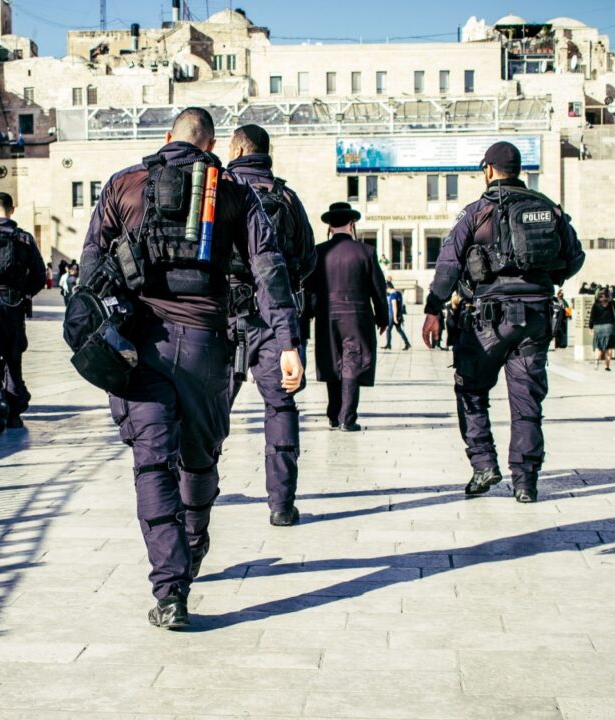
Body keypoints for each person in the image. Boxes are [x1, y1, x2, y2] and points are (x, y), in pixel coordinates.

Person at [81, 107, 303, 628]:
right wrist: (287, 339)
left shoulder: (124, 184)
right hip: (205, 344)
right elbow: (268, 265)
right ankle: (195, 541)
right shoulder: (232, 191)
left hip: (138, 347)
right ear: (211, 146)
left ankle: (169, 590)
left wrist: (94, 335)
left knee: (152, 464)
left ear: (167, 139)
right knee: (200, 458)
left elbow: (90, 264)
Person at [421, 141, 585, 503]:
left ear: (489, 170)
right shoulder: (548, 209)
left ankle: (483, 465)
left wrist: (432, 309)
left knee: (471, 390)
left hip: (487, 319)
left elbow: (448, 265)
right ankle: (525, 481)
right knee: (527, 401)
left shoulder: (477, 212)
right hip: (538, 316)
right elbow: (574, 258)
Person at [223, 124, 317, 527]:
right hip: (273, 318)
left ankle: (199, 494)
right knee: (280, 406)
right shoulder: (287, 197)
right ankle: (281, 503)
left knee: (209, 409)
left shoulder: (219, 189)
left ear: (239, 148)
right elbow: (308, 258)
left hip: (223, 317)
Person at [0, 193, 46, 434]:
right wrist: (24, 294)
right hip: (14, 305)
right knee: (14, 360)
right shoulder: (24, 238)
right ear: (12, 210)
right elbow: (39, 275)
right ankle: (14, 414)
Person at [311, 202, 389, 432]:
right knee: (352, 364)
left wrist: (307, 316)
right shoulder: (366, 252)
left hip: (326, 316)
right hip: (357, 316)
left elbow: (310, 288)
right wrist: (383, 317)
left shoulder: (318, 252)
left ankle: (334, 415)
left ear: (329, 226)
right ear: (351, 224)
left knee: (331, 361)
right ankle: (348, 417)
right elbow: (378, 289)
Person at [589, 290, 615, 371]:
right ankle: (607, 366)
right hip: (609, 327)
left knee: (598, 346)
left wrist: (590, 327)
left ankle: (596, 362)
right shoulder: (611, 303)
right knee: (608, 348)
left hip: (598, 327)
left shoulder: (595, 305)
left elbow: (592, 317)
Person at [383, 281, 411, 350]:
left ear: (388, 288)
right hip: (399, 315)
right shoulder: (398, 293)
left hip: (392, 315)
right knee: (399, 330)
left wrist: (394, 317)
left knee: (388, 329)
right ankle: (407, 343)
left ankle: (388, 344)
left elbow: (394, 306)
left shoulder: (393, 295)